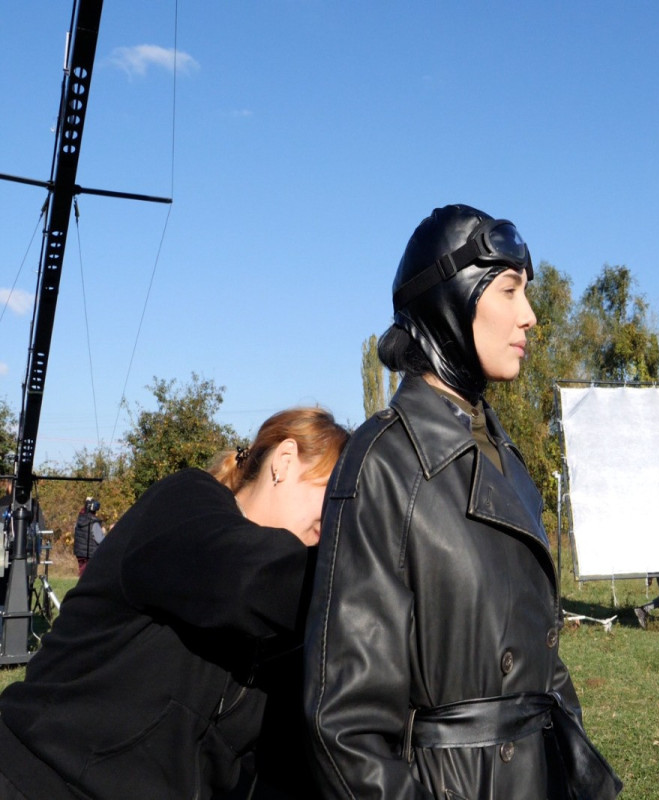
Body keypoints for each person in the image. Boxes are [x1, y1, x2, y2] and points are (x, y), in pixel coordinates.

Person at [304, 204, 621, 800]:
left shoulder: (508, 460)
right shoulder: (385, 461)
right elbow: (344, 726)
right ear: (453, 297)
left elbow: (543, 662)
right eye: (509, 290)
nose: (530, 316)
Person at [0, 407, 349, 800]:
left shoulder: (293, 616)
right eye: (333, 497)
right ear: (283, 462)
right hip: (35, 778)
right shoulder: (185, 502)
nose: (336, 524)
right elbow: (247, 580)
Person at [72, 497, 105, 575]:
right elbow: (100, 539)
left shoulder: (79, 520)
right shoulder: (94, 522)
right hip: (90, 554)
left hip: (80, 554)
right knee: (90, 576)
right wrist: (103, 533)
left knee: (82, 573)